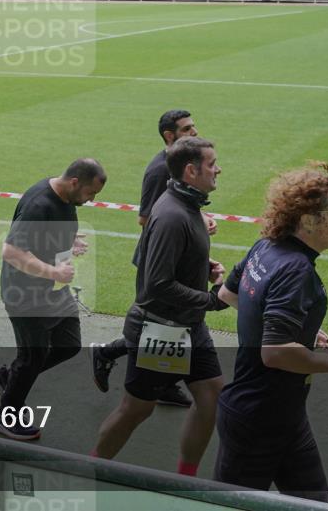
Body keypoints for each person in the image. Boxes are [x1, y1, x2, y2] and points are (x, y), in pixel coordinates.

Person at [214, 162, 328, 502]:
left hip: (284, 416)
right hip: (260, 422)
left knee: (315, 506)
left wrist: (297, 330)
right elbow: (276, 353)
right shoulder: (296, 270)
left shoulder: (266, 247)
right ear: (310, 220)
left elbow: (230, 294)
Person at [92, 137, 231, 477]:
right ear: (190, 170)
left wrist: (200, 265)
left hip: (188, 326)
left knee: (212, 398)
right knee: (136, 410)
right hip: (162, 329)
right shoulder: (173, 214)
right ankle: (90, 469)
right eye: (212, 164)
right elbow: (157, 285)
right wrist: (210, 300)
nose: (218, 169)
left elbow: (171, 261)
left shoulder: (186, 203)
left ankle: (187, 478)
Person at [91, 109, 218, 407]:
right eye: (187, 129)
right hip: (158, 256)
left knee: (169, 323)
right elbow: (146, 218)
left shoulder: (181, 165)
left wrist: (200, 220)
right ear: (169, 136)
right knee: (160, 321)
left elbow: (184, 206)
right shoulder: (159, 170)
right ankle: (112, 356)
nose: (194, 133)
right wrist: (187, 232)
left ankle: (161, 381)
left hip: (177, 253)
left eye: (194, 127)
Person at [0, 158, 106, 440]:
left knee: (68, 345)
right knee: (33, 356)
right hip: (25, 293)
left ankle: (8, 376)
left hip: (52, 290)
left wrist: (69, 240)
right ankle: (5, 415)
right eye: (91, 193)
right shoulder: (38, 204)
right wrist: (54, 270)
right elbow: (12, 252)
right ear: (75, 182)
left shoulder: (65, 197)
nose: (90, 200)